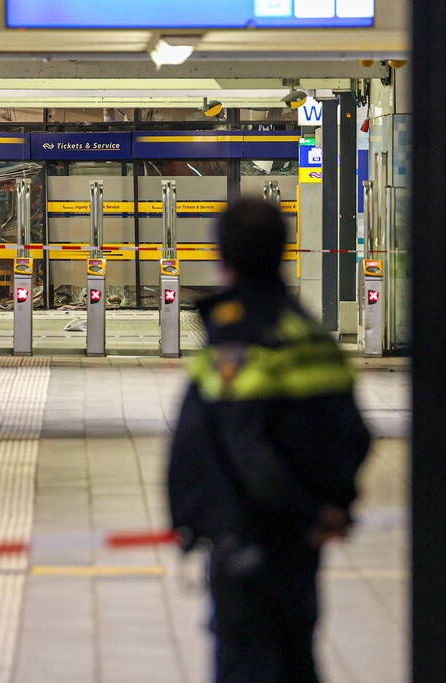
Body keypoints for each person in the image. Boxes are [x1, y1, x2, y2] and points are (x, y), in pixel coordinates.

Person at [167, 198, 371, 683]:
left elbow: (244, 446)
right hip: (300, 545)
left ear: (223, 257)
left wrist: (299, 510)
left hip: (248, 538)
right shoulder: (311, 336)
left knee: (245, 662)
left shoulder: (238, 341)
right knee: (296, 656)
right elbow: (354, 432)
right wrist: (332, 506)